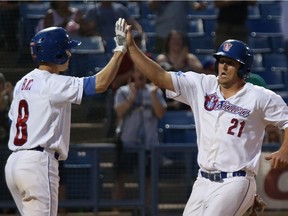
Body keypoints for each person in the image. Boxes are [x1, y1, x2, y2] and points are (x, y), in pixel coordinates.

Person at [124, 19, 288, 216]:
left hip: (236, 180)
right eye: (221, 61)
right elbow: (160, 77)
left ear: (243, 69)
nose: (223, 67)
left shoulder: (260, 96)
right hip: (202, 181)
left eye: (230, 63)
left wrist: (285, 150)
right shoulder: (201, 85)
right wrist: (131, 47)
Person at [4, 18, 128, 216]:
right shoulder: (53, 83)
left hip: (14, 164)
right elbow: (101, 83)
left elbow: (13, 120)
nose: (69, 54)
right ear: (57, 52)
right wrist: (120, 50)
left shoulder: (22, 82)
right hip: (38, 162)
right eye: (66, 49)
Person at [113, 65, 167, 211]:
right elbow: (119, 112)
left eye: (144, 72)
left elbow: (161, 113)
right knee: (121, 178)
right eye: (138, 71)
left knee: (149, 180)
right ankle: (116, 211)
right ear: (133, 73)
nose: (141, 75)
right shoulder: (123, 91)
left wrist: (154, 95)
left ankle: (148, 210)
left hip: (149, 145)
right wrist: (132, 97)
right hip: (128, 143)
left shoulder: (154, 91)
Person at [0, 73, 13, 145]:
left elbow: (14, 106)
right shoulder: (4, 94)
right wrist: (5, 92)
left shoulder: (7, 95)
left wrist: (10, 92)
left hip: (7, 130)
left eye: (1, 83)